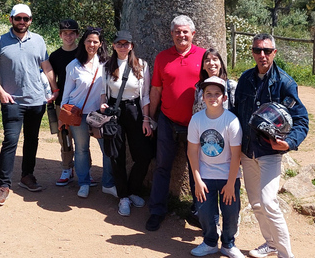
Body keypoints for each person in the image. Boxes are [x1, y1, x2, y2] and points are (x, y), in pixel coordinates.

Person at [231, 33, 309, 258]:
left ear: (275, 52)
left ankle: (286, 255)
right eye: (257, 50)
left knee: (269, 202)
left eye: (266, 50)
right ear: (252, 52)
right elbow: (237, 114)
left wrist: (289, 143)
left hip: (269, 153)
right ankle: (271, 243)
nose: (262, 55)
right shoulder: (245, 80)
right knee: (256, 203)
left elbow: (301, 119)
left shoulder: (285, 83)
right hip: (247, 152)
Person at [0, 4, 57, 207]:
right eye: (18, 18)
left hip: (36, 100)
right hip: (12, 101)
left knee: (32, 139)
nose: (22, 22)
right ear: (11, 19)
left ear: (31, 20)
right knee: (10, 141)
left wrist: (55, 89)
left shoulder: (39, 40)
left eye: (26, 19)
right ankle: (3, 186)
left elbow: (46, 66)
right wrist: (1, 93)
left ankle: (27, 176)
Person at [145, 15, 206, 231]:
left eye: (185, 31)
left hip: (196, 125)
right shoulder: (162, 58)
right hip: (167, 121)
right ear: (171, 34)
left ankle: (200, 211)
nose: (181, 35)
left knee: (196, 168)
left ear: (193, 34)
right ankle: (157, 210)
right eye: (177, 32)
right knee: (162, 167)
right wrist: (150, 118)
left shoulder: (204, 56)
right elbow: (156, 90)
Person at [187, 76, 244, 258]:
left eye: (217, 94)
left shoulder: (231, 121)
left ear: (224, 98)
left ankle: (228, 243)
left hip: (229, 174)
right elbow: (192, 151)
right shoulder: (196, 120)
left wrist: (230, 183)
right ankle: (210, 241)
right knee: (204, 212)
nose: (213, 97)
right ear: (202, 97)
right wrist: (197, 180)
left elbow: (236, 155)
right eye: (208, 94)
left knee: (231, 212)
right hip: (205, 174)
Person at [99, 30, 153, 216]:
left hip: (134, 110)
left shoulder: (142, 65)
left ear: (131, 46)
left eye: (126, 44)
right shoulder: (106, 66)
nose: (123, 47)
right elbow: (103, 92)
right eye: (119, 44)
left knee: (144, 155)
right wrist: (103, 103)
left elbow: (145, 94)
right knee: (116, 155)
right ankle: (123, 196)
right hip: (115, 111)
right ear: (113, 46)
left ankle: (132, 190)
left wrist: (146, 119)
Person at [61, 27, 108, 198]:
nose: (92, 44)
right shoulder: (73, 66)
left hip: (99, 115)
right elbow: (67, 93)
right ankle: (84, 182)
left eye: (95, 41)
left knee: (106, 149)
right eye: (89, 41)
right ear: (83, 42)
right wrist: (62, 116)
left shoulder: (106, 64)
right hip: (78, 114)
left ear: (100, 44)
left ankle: (108, 182)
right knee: (81, 149)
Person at [48, 19, 79, 187]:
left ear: (77, 35)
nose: (69, 36)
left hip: (81, 102)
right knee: (64, 137)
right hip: (62, 103)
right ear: (60, 35)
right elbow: (50, 79)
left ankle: (84, 169)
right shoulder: (55, 56)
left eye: (72, 33)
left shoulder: (83, 53)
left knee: (83, 139)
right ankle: (67, 168)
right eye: (65, 33)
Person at [193, 47, 238, 114]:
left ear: (221, 64)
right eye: (207, 60)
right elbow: (195, 111)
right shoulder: (199, 87)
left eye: (215, 59)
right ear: (203, 66)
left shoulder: (231, 86)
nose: (211, 63)